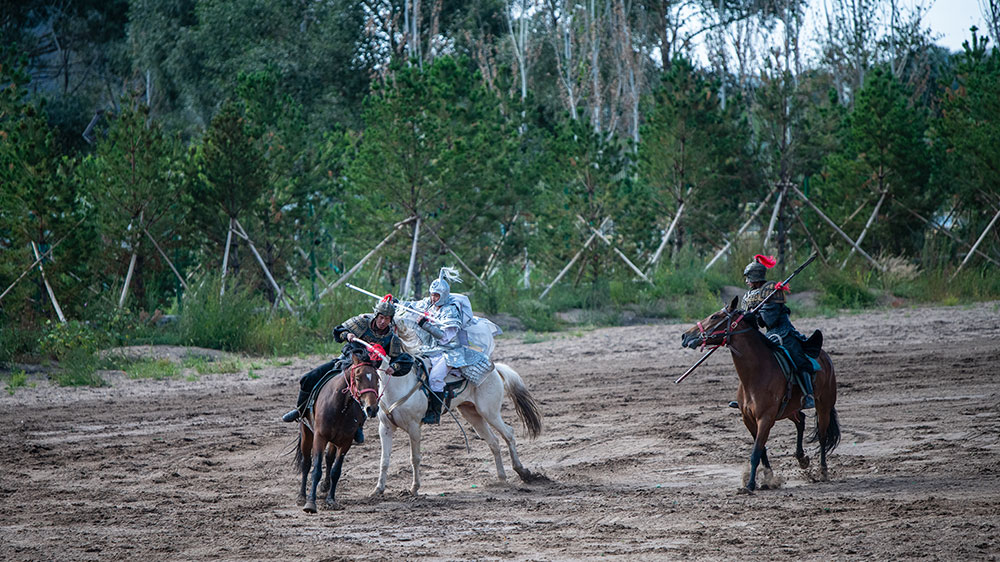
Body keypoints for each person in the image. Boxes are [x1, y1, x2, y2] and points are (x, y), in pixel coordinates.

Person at [280, 295, 414, 442]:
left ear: (391, 320)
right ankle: (300, 410)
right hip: (346, 362)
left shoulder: (391, 337)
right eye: (381, 317)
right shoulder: (362, 322)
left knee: (367, 394)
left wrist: (394, 367)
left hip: (368, 371)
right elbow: (339, 330)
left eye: (387, 319)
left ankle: (358, 427)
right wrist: (347, 334)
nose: (383, 322)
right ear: (376, 315)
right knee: (307, 379)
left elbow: (402, 359)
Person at [402, 267, 493, 424]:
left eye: (437, 295)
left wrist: (426, 325)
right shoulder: (428, 304)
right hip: (428, 350)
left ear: (444, 295)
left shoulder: (450, 310)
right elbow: (412, 305)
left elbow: (444, 336)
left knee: (436, 377)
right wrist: (397, 302)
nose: (433, 298)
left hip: (449, 352)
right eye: (432, 294)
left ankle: (435, 413)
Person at [739, 254, 815, 410]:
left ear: (755, 276)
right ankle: (748, 398)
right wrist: (749, 316)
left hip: (784, 332)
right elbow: (755, 322)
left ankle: (808, 395)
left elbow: (770, 320)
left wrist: (756, 312)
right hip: (769, 335)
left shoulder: (772, 291)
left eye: (748, 277)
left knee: (798, 359)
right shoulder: (749, 296)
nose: (746, 280)